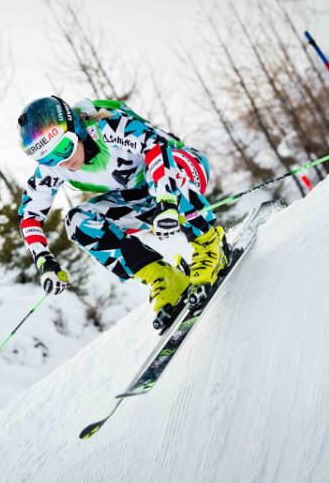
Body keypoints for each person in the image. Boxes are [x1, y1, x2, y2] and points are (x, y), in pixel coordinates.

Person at [16, 96, 228, 332]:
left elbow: (156, 146)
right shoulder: (53, 169)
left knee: (163, 165)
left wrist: (166, 197)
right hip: (143, 200)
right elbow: (29, 216)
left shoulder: (108, 128)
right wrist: (44, 260)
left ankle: (209, 245)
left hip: (182, 172)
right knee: (78, 222)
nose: (63, 161)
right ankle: (163, 277)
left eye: (64, 148)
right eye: (48, 159)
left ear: (76, 127)